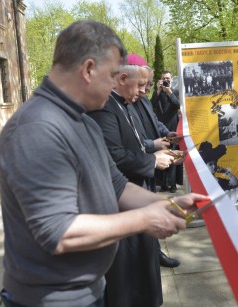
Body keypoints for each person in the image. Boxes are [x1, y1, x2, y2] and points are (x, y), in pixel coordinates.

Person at [0, 20, 206, 307]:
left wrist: (170, 206)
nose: (115, 85)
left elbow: (117, 186)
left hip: (89, 289)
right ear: (88, 69)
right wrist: (145, 219)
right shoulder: (37, 129)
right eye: (111, 76)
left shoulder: (83, 122)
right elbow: (58, 233)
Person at [87, 56, 185, 307]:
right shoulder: (105, 106)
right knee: (127, 276)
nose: (144, 91)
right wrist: (152, 161)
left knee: (145, 266)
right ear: (122, 79)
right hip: (121, 199)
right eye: (141, 85)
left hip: (136, 190)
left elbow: (139, 141)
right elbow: (114, 155)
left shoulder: (127, 104)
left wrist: (158, 153)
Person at [132, 63, 182, 268]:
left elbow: (155, 122)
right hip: (138, 166)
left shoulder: (141, 100)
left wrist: (167, 133)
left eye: (150, 85)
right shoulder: (125, 104)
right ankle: (150, 254)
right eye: (142, 84)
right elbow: (129, 141)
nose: (145, 90)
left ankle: (155, 252)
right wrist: (152, 145)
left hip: (150, 161)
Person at [151, 71, 182, 193]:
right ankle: (163, 183)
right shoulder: (157, 93)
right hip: (159, 128)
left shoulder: (174, 92)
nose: (165, 81)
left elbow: (178, 104)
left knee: (173, 155)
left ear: (172, 80)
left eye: (168, 79)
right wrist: (158, 91)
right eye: (163, 79)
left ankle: (173, 184)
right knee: (162, 154)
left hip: (172, 127)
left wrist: (169, 91)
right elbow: (151, 105)